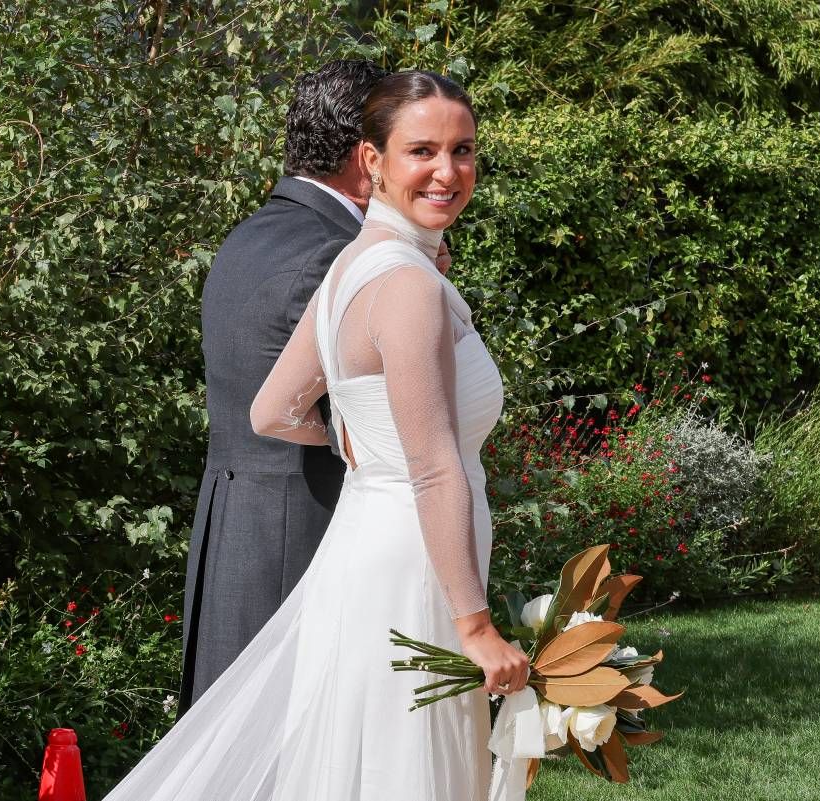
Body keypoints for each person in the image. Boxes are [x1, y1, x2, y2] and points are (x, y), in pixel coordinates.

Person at [105, 71, 527, 800]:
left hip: (362, 545)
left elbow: (271, 411)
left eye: (464, 150)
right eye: (422, 150)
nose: (448, 170)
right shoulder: (407, 284)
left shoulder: (353, 266)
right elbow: (433, 470)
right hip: (414, 563)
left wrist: (357, 443)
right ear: (372, 161)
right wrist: (478, 625)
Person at [179, 59, 395, 715]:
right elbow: (370, 421)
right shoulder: (340, 253)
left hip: (233, 531)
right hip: (305, 536)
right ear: (366, 157)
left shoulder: (248, 238)